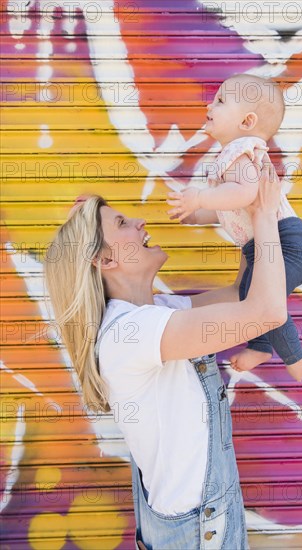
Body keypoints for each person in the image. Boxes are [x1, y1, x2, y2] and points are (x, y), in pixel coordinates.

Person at [43, 161, 287, 549]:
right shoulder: (130, 333)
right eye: (122, 223)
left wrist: (239, 209)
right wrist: (265, 212)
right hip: (197, 533)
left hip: (193, 523)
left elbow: (244, 291)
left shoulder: (158, 312)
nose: (139, 221)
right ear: (105, 261)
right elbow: (267, 312)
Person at [167, 73, 302, 382]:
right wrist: (199, 213)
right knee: (254, 291)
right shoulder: (237, 154)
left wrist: (200, 198)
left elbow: (247, 194)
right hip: (272, 243)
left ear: (247, 122)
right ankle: (262, 347)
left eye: (221, 101)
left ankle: (295, 355)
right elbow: (235, 206)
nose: (211, 104)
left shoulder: (237, 151)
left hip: (287, 243)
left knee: (257, 291)